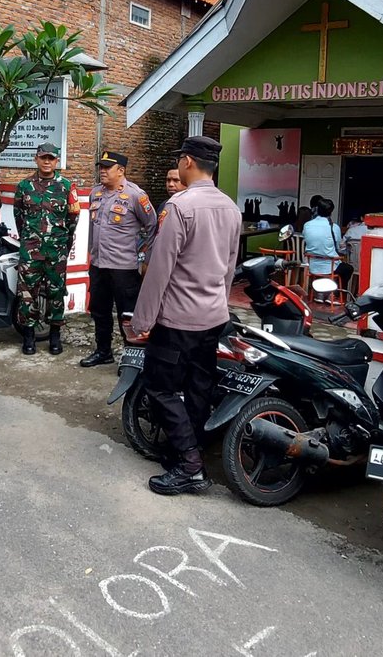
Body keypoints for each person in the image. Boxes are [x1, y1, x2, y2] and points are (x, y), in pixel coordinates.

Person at [129, 135, 240, 496]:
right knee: (198, 388)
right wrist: (220, 304)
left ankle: (191, 467)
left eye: (180, 160)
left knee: (160, 387)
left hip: (178, 320)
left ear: (188, 162)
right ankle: (187, 453)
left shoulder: (180, 206)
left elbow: (160, 269)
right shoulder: (230, 207)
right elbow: (229, 267)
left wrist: (142, 321)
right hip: (212, 317)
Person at [81, 151, 156, 367]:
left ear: (121, 170)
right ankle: (103, 351)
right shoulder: (96, 193)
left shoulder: (135, 195)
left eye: (107, 168)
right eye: (101, 167)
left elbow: (152, 226)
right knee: (99, 311)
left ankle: (131, 358)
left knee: (127, 314)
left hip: (124, 267)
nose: (102, 171)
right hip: (98, 264)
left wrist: (145, 257)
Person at [11, 143, 80, 355]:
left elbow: (73, 218)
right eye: (43, 158)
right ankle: (29, 336)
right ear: (36, 159)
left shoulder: (66, 186)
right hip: (30, 250)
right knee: (27, 293)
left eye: (51, 158)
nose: (47, 161)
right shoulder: (24, 186)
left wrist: (63, 242)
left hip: (56, 250)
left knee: (56, 292)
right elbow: (18, 216)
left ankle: (55, 336)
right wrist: (29, 239)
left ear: (57, 161)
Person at [302, 198, 350, 298]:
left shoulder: (307, 225)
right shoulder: (334, 227)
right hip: (329, 267)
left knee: (327, 267)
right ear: (331, 212)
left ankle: (320, 293)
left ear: (317, 209)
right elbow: (338, 247)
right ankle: (334, 295)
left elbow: (306, 239)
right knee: (348, 269)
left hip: (311, 265)